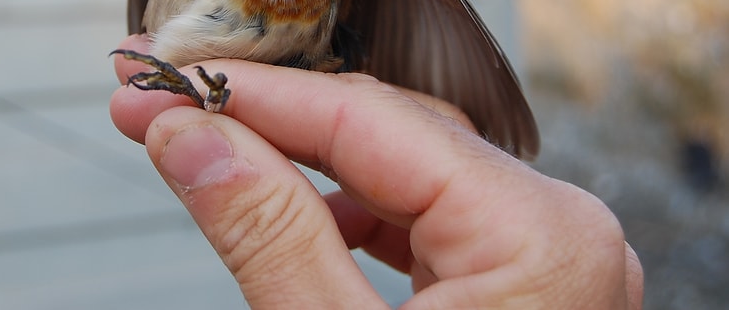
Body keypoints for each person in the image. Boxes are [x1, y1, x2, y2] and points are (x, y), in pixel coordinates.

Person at [111, 34, 644, 309]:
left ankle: (210, 101)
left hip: (262, 86)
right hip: (228, 79)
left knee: (226, 104)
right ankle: (208, 99)